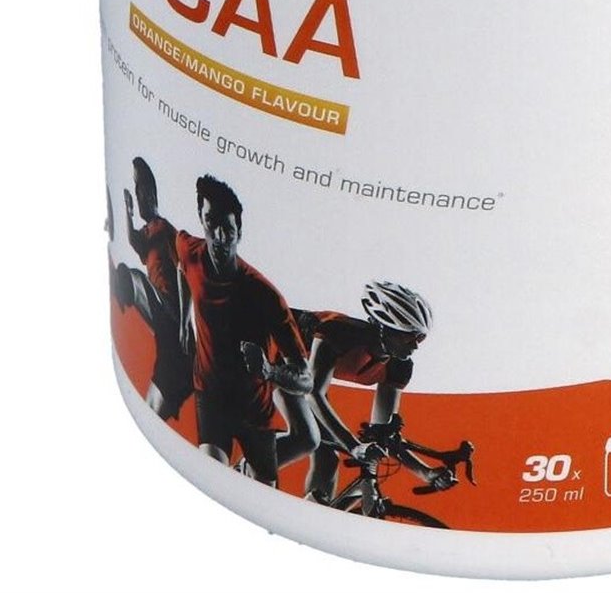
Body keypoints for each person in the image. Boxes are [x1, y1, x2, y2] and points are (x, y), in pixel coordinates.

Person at [175, 175, 311, 486]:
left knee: (264, 492)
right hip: (211, 397)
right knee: (211, 480)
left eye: (228, 229)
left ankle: (248, 471)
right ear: (201, 220)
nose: (220, 237)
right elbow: (181, 266)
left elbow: (305, 379)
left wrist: (269, 371)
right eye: (211, 223)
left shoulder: (264, 295)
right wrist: (184, 319)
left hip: (255, 412)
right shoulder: (189, 249)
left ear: (240, 231)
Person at [289, 280, 453, 503]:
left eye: (419, 337)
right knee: (314, 445)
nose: (415, 345)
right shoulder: (339, 333)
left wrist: (426, 472)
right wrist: (354, 446)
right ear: (384, 328)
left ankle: (315, 511)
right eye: (408, 336)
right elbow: (313, 393)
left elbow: (382, 432)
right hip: (278, 358)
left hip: (304, 378)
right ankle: (254, 463)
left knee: (329, 458)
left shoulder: (399, 366)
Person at [110, 157, 192, 420]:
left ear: (152, 195)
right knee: (132, 279)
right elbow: (134, 241)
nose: (140, 199)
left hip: (170, 304)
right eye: (138, 193)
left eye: (143, 192)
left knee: (133, 278)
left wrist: (184, 322)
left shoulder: (163, 227)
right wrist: (127, 212)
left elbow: (183, 270)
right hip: (157, 307)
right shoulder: (146, 231)